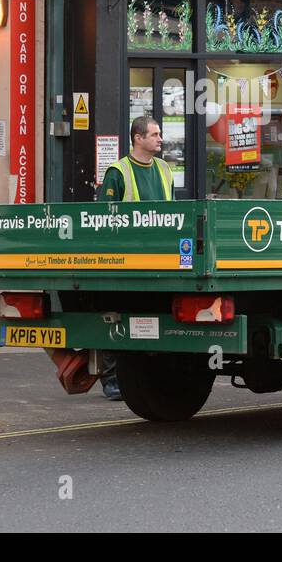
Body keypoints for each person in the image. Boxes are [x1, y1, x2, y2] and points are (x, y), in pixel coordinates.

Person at [96, 115, 174, 399]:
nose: (160, 139)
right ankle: (112, 379)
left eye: (160, 134)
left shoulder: (164, 169)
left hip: (161, 260)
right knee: (117, 318)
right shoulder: (118, 172)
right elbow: (104, 219)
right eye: (154, 134)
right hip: (126, 261)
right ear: (138, 138)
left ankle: (147, 377)